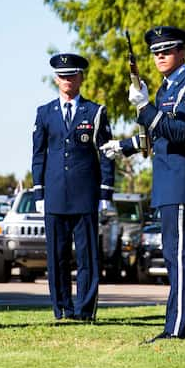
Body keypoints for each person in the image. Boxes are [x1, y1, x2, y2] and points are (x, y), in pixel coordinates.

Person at [100, 26, 185, 341]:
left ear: (182, 51)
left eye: (167, 50)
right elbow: (156, 137)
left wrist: (143, 108)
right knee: (184, 257)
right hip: (169, 182)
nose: (160, 56)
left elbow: (180, 132)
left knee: (181, 258)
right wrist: (123, 146)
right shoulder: (165, 89)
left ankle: (177, 330)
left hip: (181, 181)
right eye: (156, 52)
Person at [31, 53, 115, 321]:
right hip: (54, 195)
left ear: (81, 77)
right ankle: (62, 309)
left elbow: (106, 154)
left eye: (72, 75)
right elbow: (39, 155)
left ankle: (85, 310)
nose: (67, 80)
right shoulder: (44, 113)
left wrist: (106, 192)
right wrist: (38, 190)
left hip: (85, 195)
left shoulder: (95, 112)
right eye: (62, 76)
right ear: (56, 79)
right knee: (56, 257)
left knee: (87, 257)